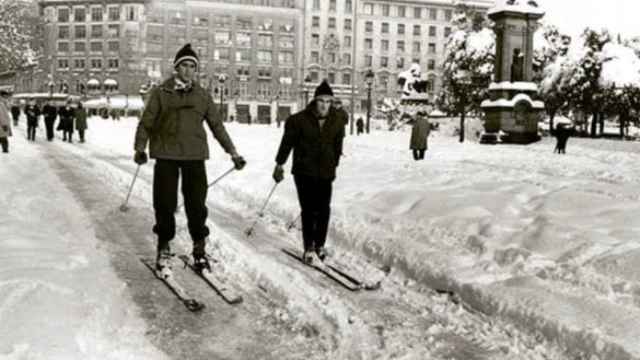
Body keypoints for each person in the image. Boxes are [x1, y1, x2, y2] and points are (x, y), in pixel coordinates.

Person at [134, 44, 247, 274]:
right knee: (164, 204)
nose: (188, 70)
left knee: (196, 204)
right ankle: (164, 247)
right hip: (166, 154)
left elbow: (217, 126)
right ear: (176, 68)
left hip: (194, 156)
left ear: (196, 70)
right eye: (184, 65)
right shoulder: (161, 93)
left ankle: (199, 247)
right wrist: (140, 148)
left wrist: (233, 152)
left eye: (192, 66)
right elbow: (146, 122)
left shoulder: (202, 96)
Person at [273, 79, 345, 264]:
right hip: (304, 171)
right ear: (314, 101)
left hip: (325, 172)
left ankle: (320, 244)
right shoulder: (298, 120)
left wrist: (333, 164)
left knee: (323, 210)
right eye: (321, 101)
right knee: (308, 209)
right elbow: (286, 144)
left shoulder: (337, 120)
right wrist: (280, 164)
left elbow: (338, 146)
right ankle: (309, 247)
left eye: (329, 101)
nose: (325, 105)